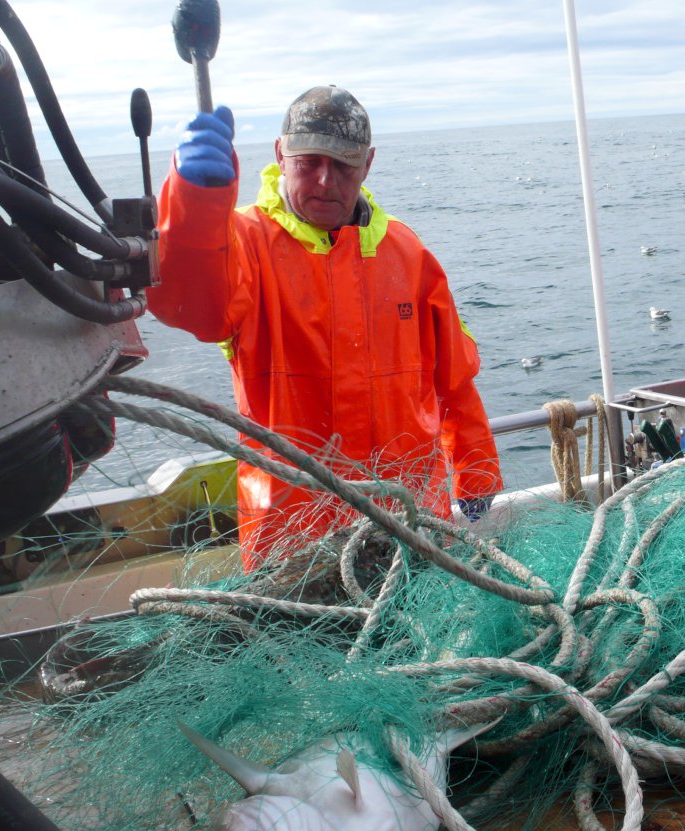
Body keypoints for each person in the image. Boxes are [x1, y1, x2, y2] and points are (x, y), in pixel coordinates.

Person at [148, 85, 502, 567]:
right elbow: (192, 306)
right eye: (308, 161)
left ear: (369, 164)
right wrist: (195, 204)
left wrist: (476, 474)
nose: (323, 180)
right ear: (280, 154)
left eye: (343, 165)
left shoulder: (408, 254)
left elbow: (454, 380)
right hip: (291, 544)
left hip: (412, 529)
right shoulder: (241, 243)